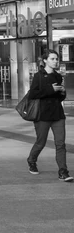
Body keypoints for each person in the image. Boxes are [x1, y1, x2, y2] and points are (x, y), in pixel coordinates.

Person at [27, 50, 73, 181]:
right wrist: (51, 89)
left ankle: (63, 172)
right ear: (45, 60)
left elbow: (59, 98)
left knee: (60, 144)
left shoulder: (58, 76)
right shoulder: (38, 76)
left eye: (56, 59)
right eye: (52, 59)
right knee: (40, 142)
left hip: (57, 114)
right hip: (42, 115)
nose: (55, 61)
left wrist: (62, 92)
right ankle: (31, 160)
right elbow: (33, 95)